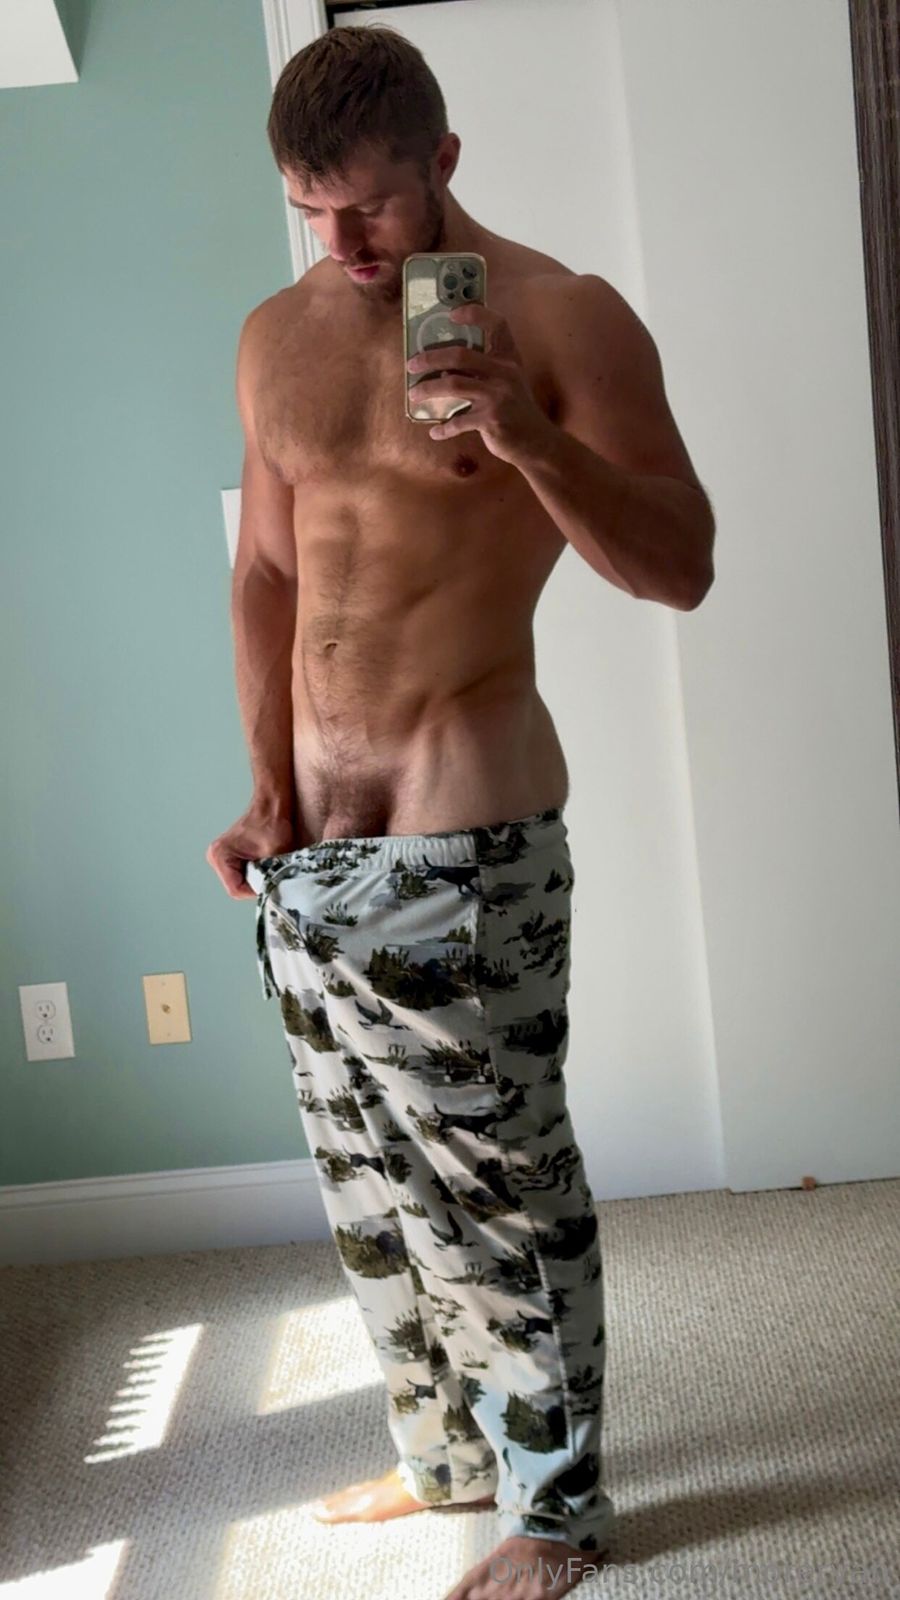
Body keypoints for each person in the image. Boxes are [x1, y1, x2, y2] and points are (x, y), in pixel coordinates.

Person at [206, 24, 715, 1600]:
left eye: (369, 206)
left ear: (443, 161)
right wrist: (269, 789)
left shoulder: (562, 317)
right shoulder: (276, 336)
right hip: (313, 850)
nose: (344, 245)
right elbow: (269, 571)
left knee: (502, 1192)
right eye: (311, 211)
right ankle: (450, 1460)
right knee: (372, 1191)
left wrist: (530, 438)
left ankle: (556, 1514)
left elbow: (681, 563)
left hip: (466, 830)